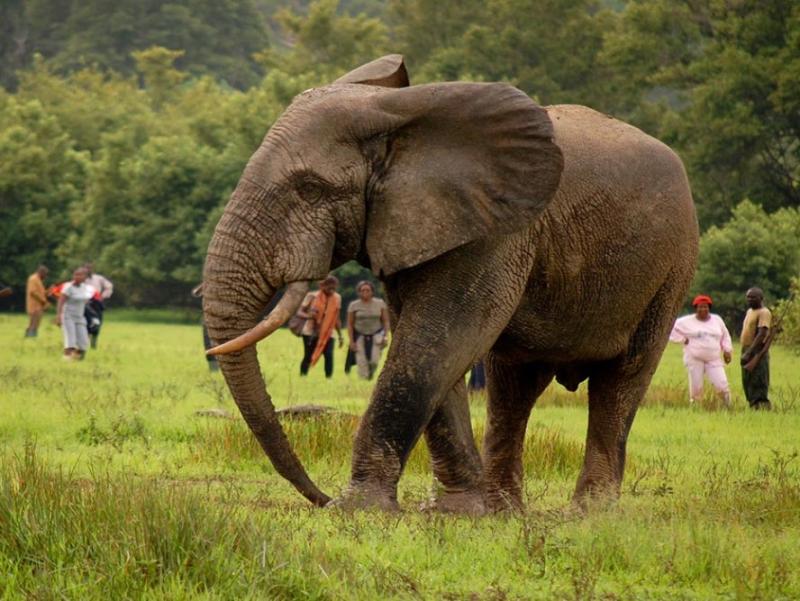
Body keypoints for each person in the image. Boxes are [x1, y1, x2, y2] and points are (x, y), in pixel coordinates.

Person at [669, 294, 733, 407]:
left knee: (722, 384)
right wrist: (683, 339)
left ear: (709, 308)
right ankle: (695, 406)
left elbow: (725, 335)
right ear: (696, 308)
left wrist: (727, 350)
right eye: (700, 307)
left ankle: (727, 406)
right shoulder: (686, 321)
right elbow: (670, 329)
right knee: (696, 386)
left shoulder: (717, 320)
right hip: (694, 358)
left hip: (713, 358)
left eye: (706, 307)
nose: (703, 309)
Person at [297, 276, 343, 378]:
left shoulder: (337, 298)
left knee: (329, 355)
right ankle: (302, 376)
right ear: (322, 286)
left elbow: (337, 318)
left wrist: (340, 335)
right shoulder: (312, 296)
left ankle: (328, 379)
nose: (331, 291)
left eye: (334, 288)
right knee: (308, 356)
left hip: (328, 333)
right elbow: (299, 312)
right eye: (329, 288)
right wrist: (309, 316)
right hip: (310, 331)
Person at [347, 280, 390, 380]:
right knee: (361, 362)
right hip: (359, 335)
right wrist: (351, 341)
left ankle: (370, 374)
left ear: (372, 292)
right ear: (359, 292)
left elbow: (386, 321)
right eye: (362, 290)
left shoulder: (380, 303)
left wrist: (386, 335)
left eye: (368, 290)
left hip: (376, 335)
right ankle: (363, 381)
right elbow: (350, 324)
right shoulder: (354, 305)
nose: (365, 292)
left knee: (374, 361)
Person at [740, 287, 772, 410]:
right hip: (746, 349)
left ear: (761, 298)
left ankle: (761, 406)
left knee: (758, 380)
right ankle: (752, 405)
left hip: (756, 351)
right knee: (747, 380)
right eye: (748, 297)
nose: (750, 299)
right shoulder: (749, 311)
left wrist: (750, 352)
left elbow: (761, 334)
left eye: (753, 297)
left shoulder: (764, 312)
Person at [56, 267, 96, 360]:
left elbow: (85, 301)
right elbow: (60, 301)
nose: (77, 276)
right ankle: (66, 359)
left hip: (80, 317)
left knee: (84, 341)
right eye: (75, 274)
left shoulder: (85, 288)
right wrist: (58, 316)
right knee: (71, 339)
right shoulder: (68, 287)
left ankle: (78, 360)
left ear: (85, 277)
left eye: (80, 275)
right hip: (68, 316)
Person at [83, 262, 113, 349]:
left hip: (96, 302)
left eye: (89, 268)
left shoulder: (98, 278)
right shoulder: (81, 279)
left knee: (97, 322)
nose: (88, 270)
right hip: (85, 303)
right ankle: (84, 342)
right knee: (86, 323)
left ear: (92, 269)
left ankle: (94, 343)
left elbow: (109, 286)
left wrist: (103, 296)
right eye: (86, 268)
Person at [192, 283, 219, 372]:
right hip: (209, 317)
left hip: (224, 316)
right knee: (209, 346)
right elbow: (196, 293)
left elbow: (196, 293)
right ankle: (214, 370)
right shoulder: (210, 282)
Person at [25, 265, 49, 337]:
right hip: (34, 306)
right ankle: (30, 338)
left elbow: (41, 293)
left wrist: (48, 291)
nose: (45, 276)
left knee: (36, 323)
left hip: (39, 306)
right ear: (41, 272)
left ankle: (30, 337)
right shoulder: (33, 279)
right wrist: (44, 301)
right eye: (45, 274)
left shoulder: (38, 280)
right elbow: (33, 292)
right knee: (34, 323)